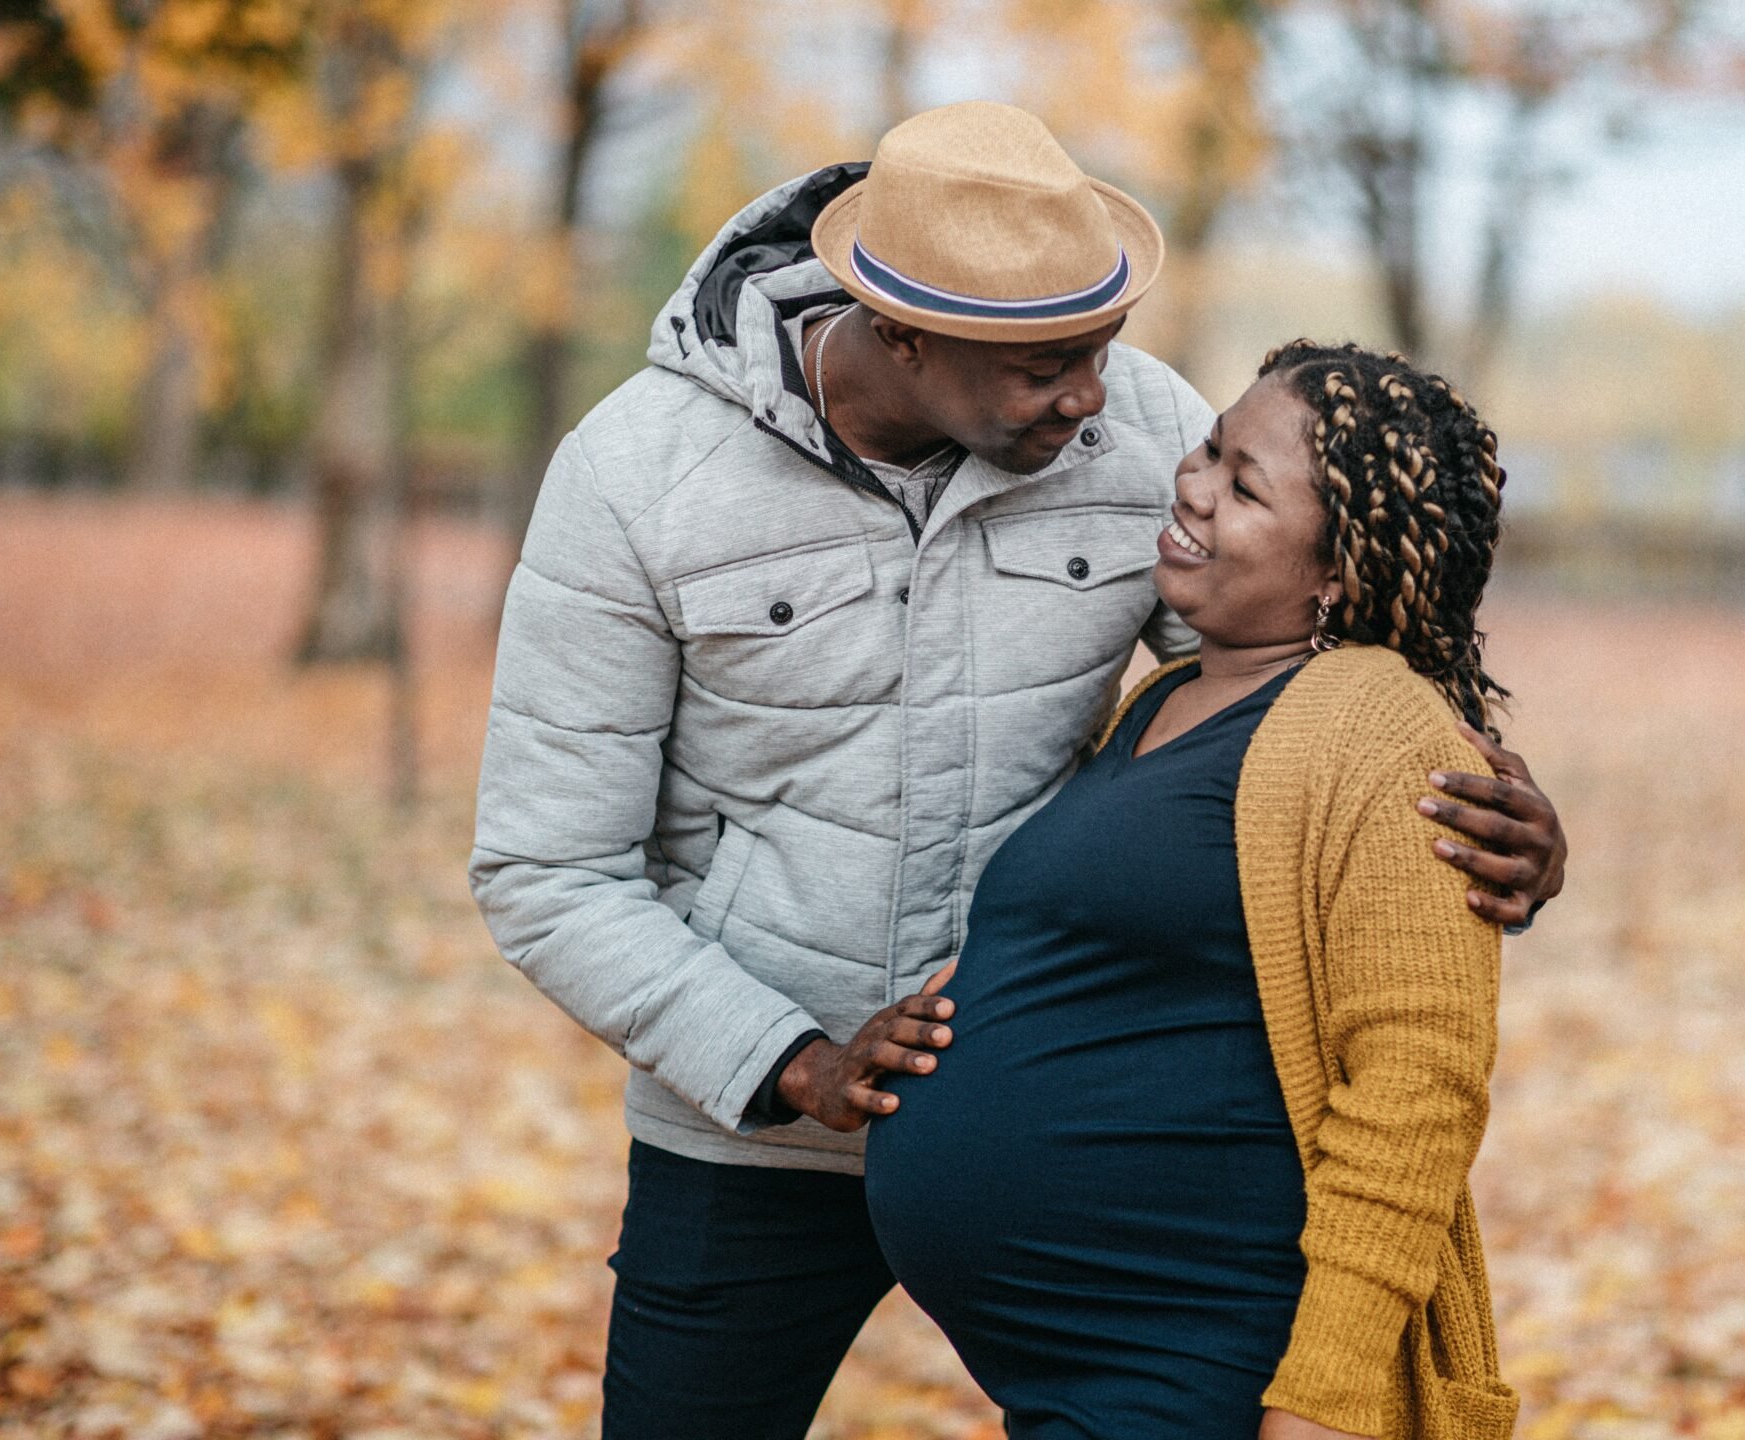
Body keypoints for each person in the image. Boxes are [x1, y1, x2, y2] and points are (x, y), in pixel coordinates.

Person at [468, 102, 1564, 1438]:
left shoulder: (1144, 428)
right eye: (1046, 366)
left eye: (1100, 348)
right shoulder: (640, 481)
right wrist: (792, 1061)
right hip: (751, 1134)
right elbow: (548, 868)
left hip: (1106, 1176)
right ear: (902, 333)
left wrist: (1479, 807)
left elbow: (1290, 692)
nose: (1093, 399)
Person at [867, 341, 1521, 1440]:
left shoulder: (1373, 722)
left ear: (1338, 572)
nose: (1192, 480)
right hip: (1088, 1370)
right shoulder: (1167, 693)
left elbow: (1417, 1088)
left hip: (1198, 1357)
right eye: (1210, 446)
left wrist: (1324, 1400)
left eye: (1244, 482)